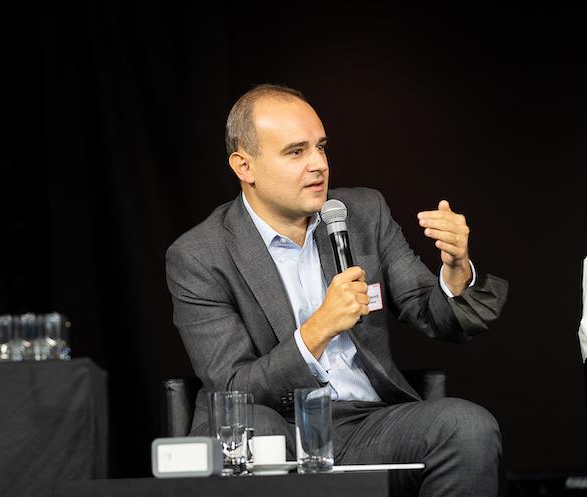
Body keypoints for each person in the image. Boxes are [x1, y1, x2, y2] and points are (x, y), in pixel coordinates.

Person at [165, 84, 508, 496]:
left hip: (367, 424)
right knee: (258, 430)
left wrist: (455, 270)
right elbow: (234, 389)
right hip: (278, 424)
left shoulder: (362, 213)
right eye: (296, 152)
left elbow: (428, 311)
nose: (318, 165)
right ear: (245, 167)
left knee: (467, 426)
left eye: (321, 147)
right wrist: (318, 329)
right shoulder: (199, 255)